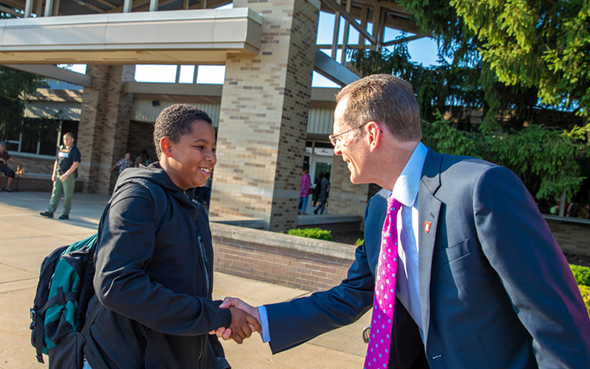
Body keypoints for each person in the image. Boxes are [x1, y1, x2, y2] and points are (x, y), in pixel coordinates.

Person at [214, 74, 590, 368]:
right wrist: (261, 316)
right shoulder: (379, 209)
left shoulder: (480, 188)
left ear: (373, 134)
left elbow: (553, 320)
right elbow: (352, 295)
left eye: (339, 135)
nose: (336, 147)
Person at [84, 104, 260, 369]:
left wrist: (211, 354)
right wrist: (216, 316)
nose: (211, 157)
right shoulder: (138, 198)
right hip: (123, 360)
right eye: (200, 147)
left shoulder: (194, 210)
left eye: (213, 148)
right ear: (167, 147)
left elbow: (188, 294)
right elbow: (116, 285)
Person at [39, 133, 81, 220]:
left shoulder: (74, 151)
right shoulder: (61, 149)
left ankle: (65, 213)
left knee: (68, 195)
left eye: (68, 139)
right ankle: (50, 211)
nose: (65, 141)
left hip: (68, 176)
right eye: (64, 139)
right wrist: (54, 173)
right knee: (55, 193)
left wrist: (66, 174)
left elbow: (75, 164)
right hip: (59, 174)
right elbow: (56, 162)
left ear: (72, 140)